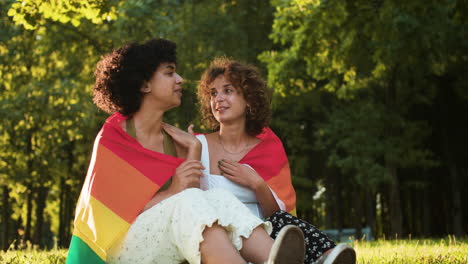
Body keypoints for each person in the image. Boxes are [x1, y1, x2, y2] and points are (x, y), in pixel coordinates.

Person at [66, 39, 306, 264]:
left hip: (162, 240)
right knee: (188, 199)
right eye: (170, 73)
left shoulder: (172, 140)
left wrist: (193, 149)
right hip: (116, 248)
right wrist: (174, 189)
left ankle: (274, 258)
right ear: (144, 84)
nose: (180, 79)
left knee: (218, 198)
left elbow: (193, 211)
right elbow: (113, 215)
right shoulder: (114, 137)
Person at [195, 57, 357, 264]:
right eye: (213, 93)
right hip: (221, 242)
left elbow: (277, 215)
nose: (218, 99)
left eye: (227, 91)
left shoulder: (268, 148)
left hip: (264, 237)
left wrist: (256, 183)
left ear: (248, 100)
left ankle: (326, 257)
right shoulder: (197, 145)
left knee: (283, 223)